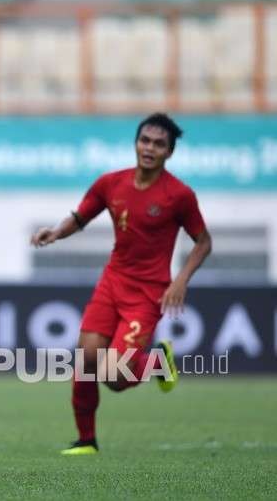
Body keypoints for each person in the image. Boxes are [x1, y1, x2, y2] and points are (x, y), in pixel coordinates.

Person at [30, 113, 212, 455]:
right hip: (112, 282)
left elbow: (204, 242)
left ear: (169, 153)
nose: (150, 148)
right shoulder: (110, 184)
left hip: (148, 293)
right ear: (136, 143)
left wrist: (181, 280)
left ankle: (157, 361)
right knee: (85, 360)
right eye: (145, 140)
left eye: (159, 144)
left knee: (113, 377)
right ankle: (86, 441)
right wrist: (55, 232)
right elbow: (82, 216)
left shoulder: (178, 195)